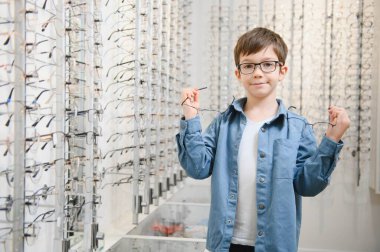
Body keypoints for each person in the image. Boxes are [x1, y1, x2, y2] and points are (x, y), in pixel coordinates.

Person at [175, 27, 350, 252]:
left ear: (282, 71)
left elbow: (307, 185)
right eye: (248, 65)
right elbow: (197, 168)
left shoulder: (297, 127)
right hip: (226, 244)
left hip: (274, 245)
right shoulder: (223, 123)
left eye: (268, 64)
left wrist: (332, 140)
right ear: (238, 73)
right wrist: (190, 117)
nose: (258, 73)